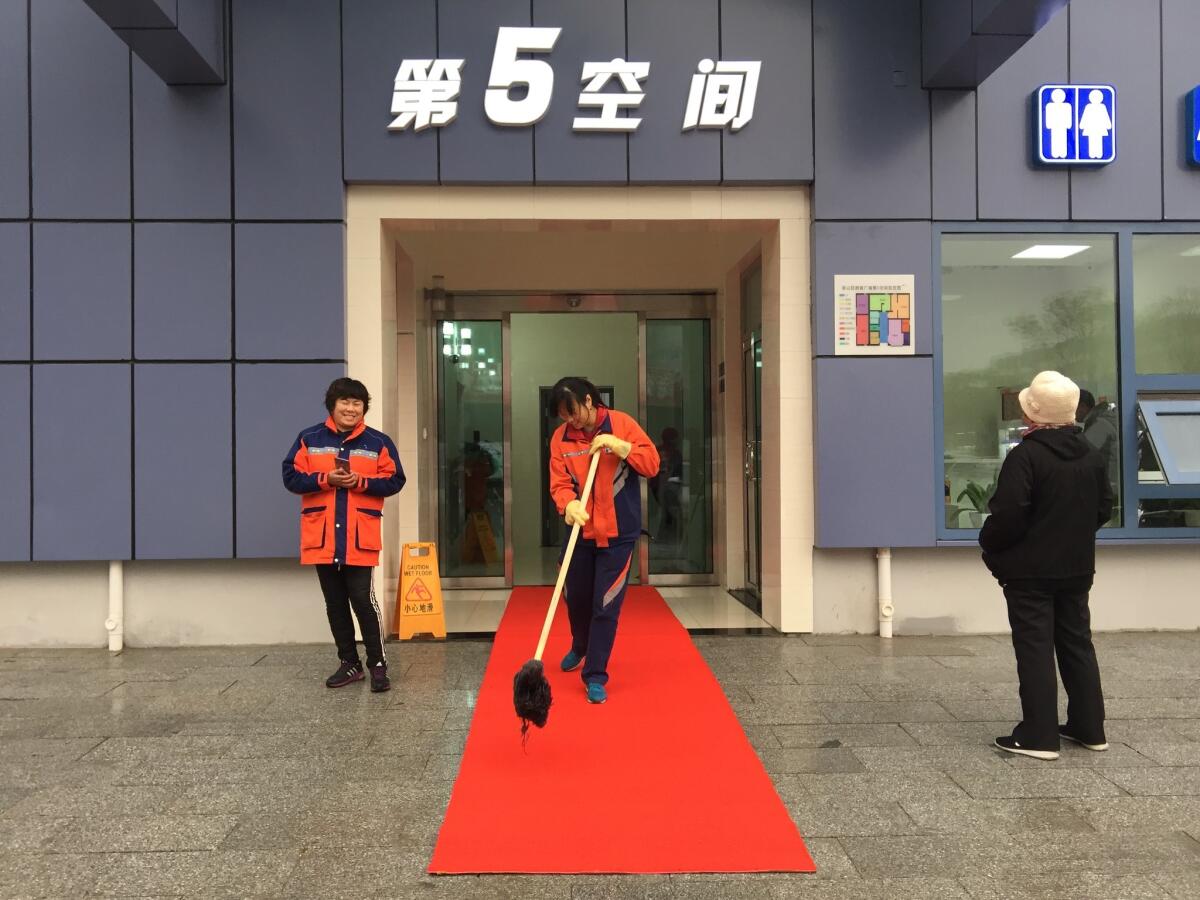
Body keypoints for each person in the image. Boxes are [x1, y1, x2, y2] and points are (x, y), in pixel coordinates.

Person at [979, 371, 1113, 760]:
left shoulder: (1026, 456)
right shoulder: (1089, 453)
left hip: (1030, 573)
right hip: (1077, 568)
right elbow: (1103, 507)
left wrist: (990, 546)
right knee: (1077, 645)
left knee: (1035, 648)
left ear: (1034, 414)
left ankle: (1038, 735)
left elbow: (1008, 515)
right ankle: (1089, 728)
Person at [282, 378, 405, 692]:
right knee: (334, 603)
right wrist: (326, 478)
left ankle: (377, 664)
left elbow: (394, 480)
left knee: (363, 601)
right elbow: (291, 477)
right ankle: (348, 663)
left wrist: (360, 483)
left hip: (358, 536)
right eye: (345, 403)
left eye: (357, 403)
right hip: (322, 536)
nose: (351, 409)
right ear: (332, 406)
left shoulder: (378, 442)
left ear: (364, 408)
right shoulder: (308, 438)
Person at [548, 377, 660, 705]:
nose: (571, 420)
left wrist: (622, 447)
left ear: (588, 400)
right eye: (564, 416)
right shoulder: (561, 438)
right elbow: (559, 481)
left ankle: (595, 673)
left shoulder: (621, 424)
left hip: (618, 533)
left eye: (574, 413)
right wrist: (567, 504)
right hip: (580, 532)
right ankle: (580, 644)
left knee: (605, 604)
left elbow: (652, 463)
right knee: (577, 597)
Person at [1076, 389, 1120, 493]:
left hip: (1107, 487)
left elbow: (1081, 452)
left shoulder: (1099, 425)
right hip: (1112, 485)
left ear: (1082, 406)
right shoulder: (1103, 419)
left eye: (1073, 407)